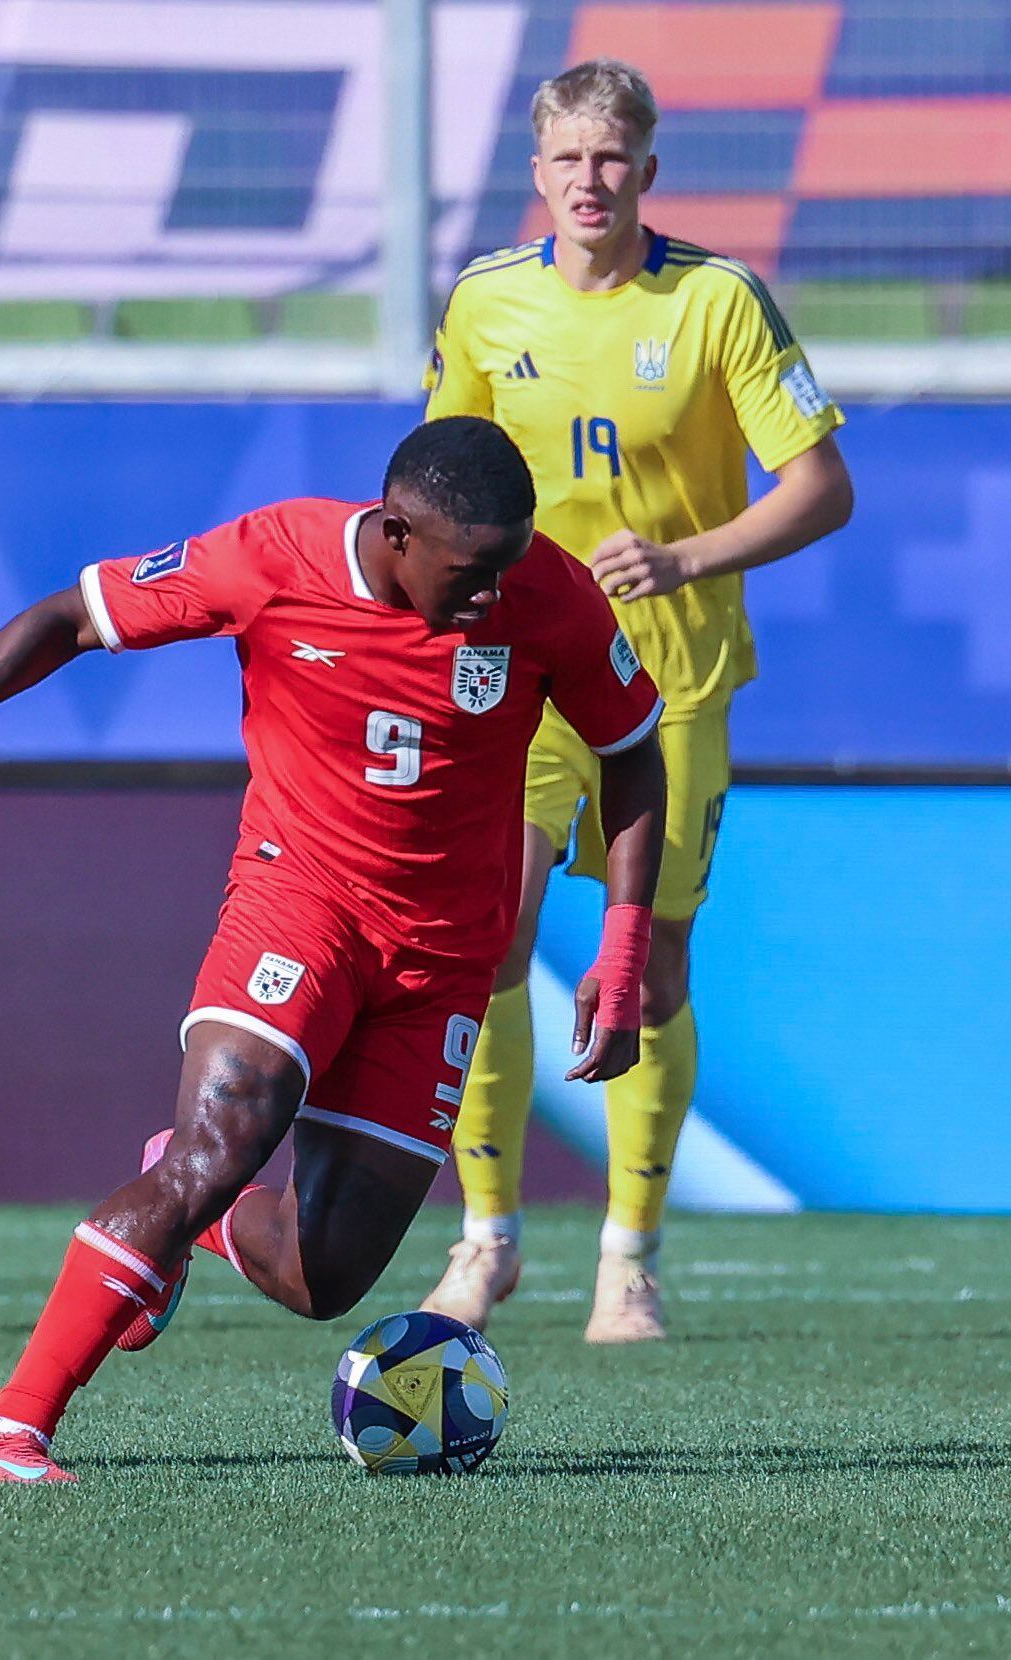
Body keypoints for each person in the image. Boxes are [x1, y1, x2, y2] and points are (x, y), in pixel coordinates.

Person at [0, 416, 667, 1482]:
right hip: (298, 904)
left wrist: (622, 945)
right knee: (213, 1153)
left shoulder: (545, 591)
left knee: (322, 1278)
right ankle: (8, 1430)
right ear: (397, 533)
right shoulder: (272, 556)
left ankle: (188, 1217)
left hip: (442, 959)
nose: (492, 594)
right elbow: (68, 617)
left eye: (506, 564)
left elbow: (631, 755)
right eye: (469, 572)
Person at [420, 59, 853, 1341]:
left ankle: (628, 1257)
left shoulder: (716, 301)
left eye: (612, 157)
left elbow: (820, 485)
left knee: (649, 966)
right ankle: (484, 1238)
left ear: (646, 171)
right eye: (567, 159)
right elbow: (439, 480)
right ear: (536, 176)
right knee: (482, 938)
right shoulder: (486, 303)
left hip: (671, 680)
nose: (589, 181)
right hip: (519, 679)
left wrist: (685, 557)